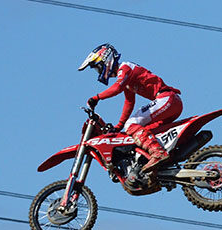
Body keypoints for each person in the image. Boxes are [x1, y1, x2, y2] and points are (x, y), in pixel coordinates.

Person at [78, 44, 182, 174]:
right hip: (170, 102)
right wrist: (119, 126)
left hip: (166, 98)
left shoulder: (125, 68)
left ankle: (158, 153)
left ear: (106, 59)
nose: (99, 72)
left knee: (131, 124)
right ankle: (162, 165)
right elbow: (129, 102)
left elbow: (117, 88)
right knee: (144, 132)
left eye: (98, 67)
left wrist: (97, 97)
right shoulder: (126, 77)